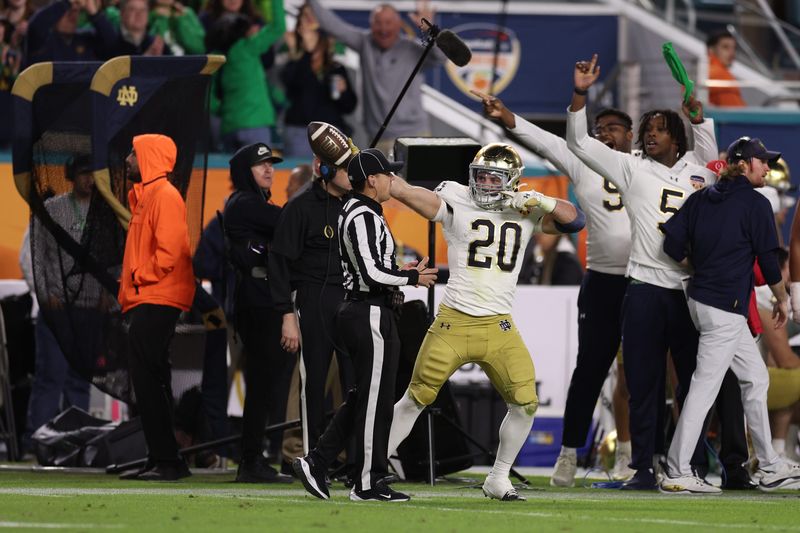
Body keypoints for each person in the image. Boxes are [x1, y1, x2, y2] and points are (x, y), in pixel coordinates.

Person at [473, 88, 719, 486]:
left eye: (614, 128)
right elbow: (551, 140)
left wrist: (699, 122)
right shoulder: (592, 160)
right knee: (592, 368)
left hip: (658, 280)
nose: (606, 134)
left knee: (646, 375)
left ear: (629, 135)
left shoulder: (647, 164)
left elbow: (707, 166)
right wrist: (507, 115)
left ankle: (644, 456)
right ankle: (570, 454)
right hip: (607, 279)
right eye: (600, 128)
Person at [387, 143, 587, 501]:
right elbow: (412, 195)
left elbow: (576, 221)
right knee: (416, 397)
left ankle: (497, 477)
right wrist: (391, 182)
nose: (486, 183)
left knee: (525, 402)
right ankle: (370, 467)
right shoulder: (456, 198)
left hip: (499, 327)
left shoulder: (525, 210)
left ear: (511, 181)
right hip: (454, 322)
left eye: (494, 177)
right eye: (481, 175)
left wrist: (538, 201)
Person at [566, 54, 718, 490]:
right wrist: (580, 93)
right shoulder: (632, 168)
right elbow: (579, 143)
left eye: (658, 131)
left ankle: (688, 465)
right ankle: (644, 468)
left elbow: (712, 156)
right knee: (643, 383)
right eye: (646, 130)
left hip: (689, 292)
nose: (649, 136)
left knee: (691, 383)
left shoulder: (698, 173)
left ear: (677, 139)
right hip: (645, 290)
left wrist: (700, 119)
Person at [293, 148, 437, 503]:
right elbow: (371, 272)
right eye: (388, 174)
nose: (393, 180)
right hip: (367, 312)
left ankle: (319, 461)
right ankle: (367, 482)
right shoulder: (361, 214)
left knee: (364, 398)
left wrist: (404, 275)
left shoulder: (366, 211)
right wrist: (410, 277)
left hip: (370, 311)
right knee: (374, 400)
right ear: (372, 180)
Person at [660, 137, 800, 493]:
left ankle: (769, 465)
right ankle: (677, 471)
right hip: (724, 306)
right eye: (763, 161)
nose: (767, 167)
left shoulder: (702, 198)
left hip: (706, 302)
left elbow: (671, 243)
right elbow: (769, 262)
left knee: (756, 379)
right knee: (704, 390)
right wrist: (782, 300)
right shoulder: (755, 204)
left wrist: (702, 265)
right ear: (745, 163)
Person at [268, 124, 355, 472]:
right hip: (313, 303)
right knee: (313, 385)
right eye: (346, 169)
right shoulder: (300, 207)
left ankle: (354, 463)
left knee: (355, 386)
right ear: (326, 168)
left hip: (350, 305)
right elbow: (279, 263)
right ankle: (311, 460)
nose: (353, 176)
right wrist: (287, 314)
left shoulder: (356, 206)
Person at [118, 134, 196, 481]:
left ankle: (166, 459)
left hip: (156, 296)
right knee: (153, 380)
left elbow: (170, 253)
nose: (127, 160)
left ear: (148, 156)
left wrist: (138, 276)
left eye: (133, 153)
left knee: (148, 381)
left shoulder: (163, 196)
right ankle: (164, 458)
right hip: (151, 296)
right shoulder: (150, 197)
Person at [223, 142, 293, 483]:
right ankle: (251, 461)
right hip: (258, 302)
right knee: (263, 384)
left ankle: (255, 458)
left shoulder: (255, 204)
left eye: (271, 164)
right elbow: (288, 223)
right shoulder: (244, 203)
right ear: (243, 172)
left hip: (262, 300)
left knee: (266, 385)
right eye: (260, 164)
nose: (269, 169)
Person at [20, 156, 95, 450]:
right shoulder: (51, 209)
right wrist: (45, 293)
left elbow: (111, 260)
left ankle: (79, 445)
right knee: (50, 376)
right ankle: (37, 442)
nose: (89, 179)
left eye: (93, 174)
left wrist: (105, 298)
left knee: (81, 379)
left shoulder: (106, 213)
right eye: (83, 173)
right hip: (55, 310)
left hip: (88, 310)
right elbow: (31, 258)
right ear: (71, 176)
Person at [307, 0, 444, 154]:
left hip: (414, 136)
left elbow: (441, 56)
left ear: (399, 24)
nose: (383, 28)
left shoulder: (411, 49)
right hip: (377, 138)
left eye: (388, 22)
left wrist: (431, 31)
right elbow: (334, 26)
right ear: (371, 25)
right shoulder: (364, 43)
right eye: (378, 22)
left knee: (415, 179)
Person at [280, 3, 357, 159]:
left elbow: (349, 107)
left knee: (333, 180)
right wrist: (306, 53)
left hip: (331, 133)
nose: (307, 24)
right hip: (299, 132)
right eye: (304, 18)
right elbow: (293, 85)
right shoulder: (293, 63)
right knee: (301, 178)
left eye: (311, 17)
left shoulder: (336, 68)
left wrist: (343, 93)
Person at [707, 30, 746, 108]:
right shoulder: (719, 74)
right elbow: (736, 111)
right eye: (725, 47)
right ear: (711, 50)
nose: (732, 53)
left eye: (734, 48)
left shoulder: (702, 72)